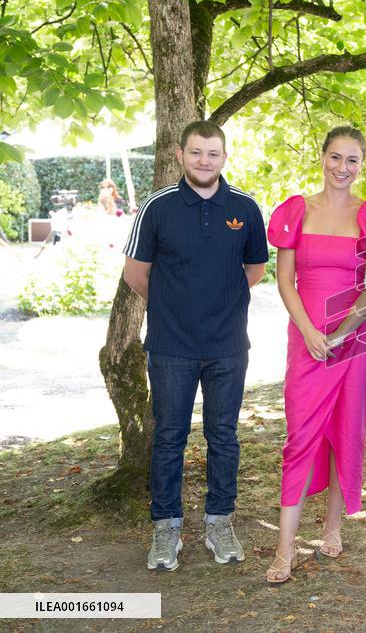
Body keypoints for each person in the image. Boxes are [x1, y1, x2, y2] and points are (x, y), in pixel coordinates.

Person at [122, 120, 269, 571]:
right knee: (169, 437)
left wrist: (218, 307)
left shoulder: (244, 207)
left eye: (213, 153)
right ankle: (166, 528)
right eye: (196, 153)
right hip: (171, 347)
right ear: (181, 156)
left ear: (224, 157)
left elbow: (256, 268)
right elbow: (135, 273)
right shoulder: (157, 208)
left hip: (227, 347)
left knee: (223, 436)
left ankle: (219, 521)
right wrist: (174, 308)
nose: (204, 161)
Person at [264, 126, 366, 584]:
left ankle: (333, 527)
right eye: (336, 157)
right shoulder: (297, 210)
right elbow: (284, 281)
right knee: (300, 437)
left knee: (345, 429)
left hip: (354, 339)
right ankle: (284, 549)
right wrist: (311, 331)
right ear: (322, 158)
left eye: (352, 160)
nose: (342, 168)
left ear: (361, 164)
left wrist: (342, 331)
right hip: (308, 336)